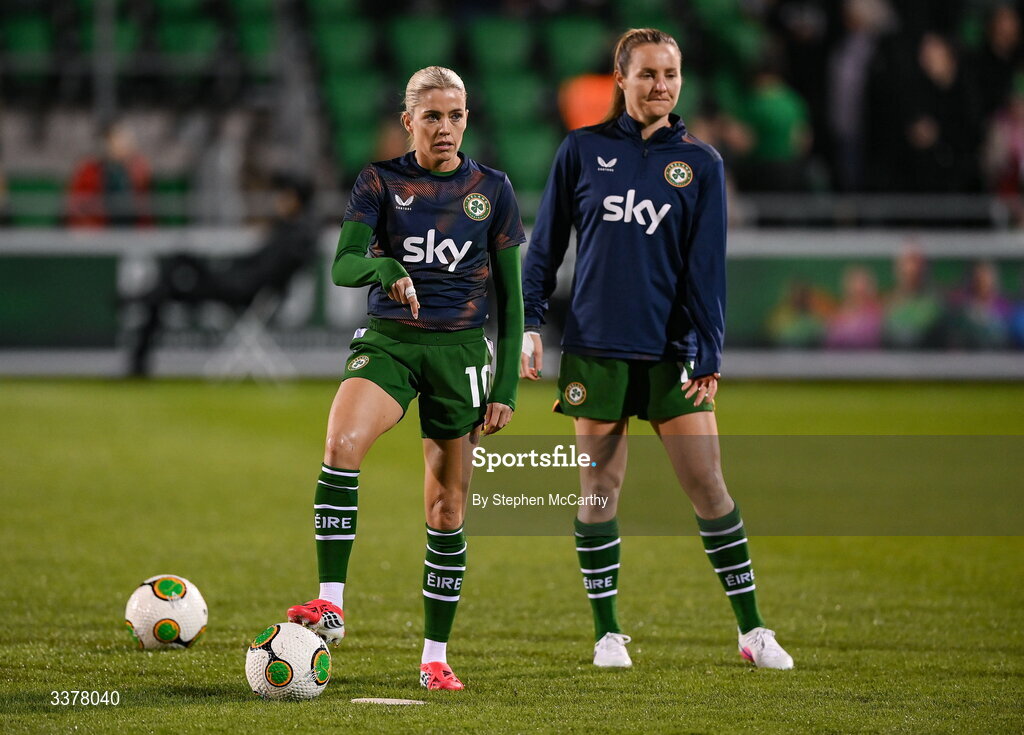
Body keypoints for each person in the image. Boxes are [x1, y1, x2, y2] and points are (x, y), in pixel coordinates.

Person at [521, 28, 793, 671]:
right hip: (596, 347)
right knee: (598, 489)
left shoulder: (701, 163)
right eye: (647, 74)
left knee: (708, 486)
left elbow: (708, 270)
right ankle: (607, 634)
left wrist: (709, 349)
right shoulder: (581, 150)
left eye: (670, 74)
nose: (661, 86)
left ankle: (752, 631)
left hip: (672, 350)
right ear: (621, 79)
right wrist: (531, 323)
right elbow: (545, 248)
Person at [286, 66, 525, 691]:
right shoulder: (379, 182)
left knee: (447, 508)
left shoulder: (492, 190)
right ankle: (331, 604)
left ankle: (434, 657)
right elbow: (341, 265)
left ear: (467, 118)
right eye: (432, 117)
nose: (445, 128)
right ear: (409, 121)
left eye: (456, 115)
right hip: (391, 342)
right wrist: (383, 264)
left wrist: (505, 389)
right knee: (340, 446)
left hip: (463, 353)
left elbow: (514, 297)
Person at [124, 173, 317, 377]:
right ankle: (140, 338)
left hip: (239, 291)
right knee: (166, 286)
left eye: (283, 195)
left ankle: (138, 307)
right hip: (237, 284)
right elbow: (255, 263)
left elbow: (263, 273)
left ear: (295, 199)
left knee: (179, 263)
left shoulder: (295, 237)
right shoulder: (289, 232)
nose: (277, 200)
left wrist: (227, 271)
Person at [67, 120, 153, 228]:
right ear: (108, 143)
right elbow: (79, 207)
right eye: (120, 140)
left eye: (128, 141)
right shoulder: (89, 171)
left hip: (131, 232)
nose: (127, 145)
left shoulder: (137, 170)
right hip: (100, 232)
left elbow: (145, 209)